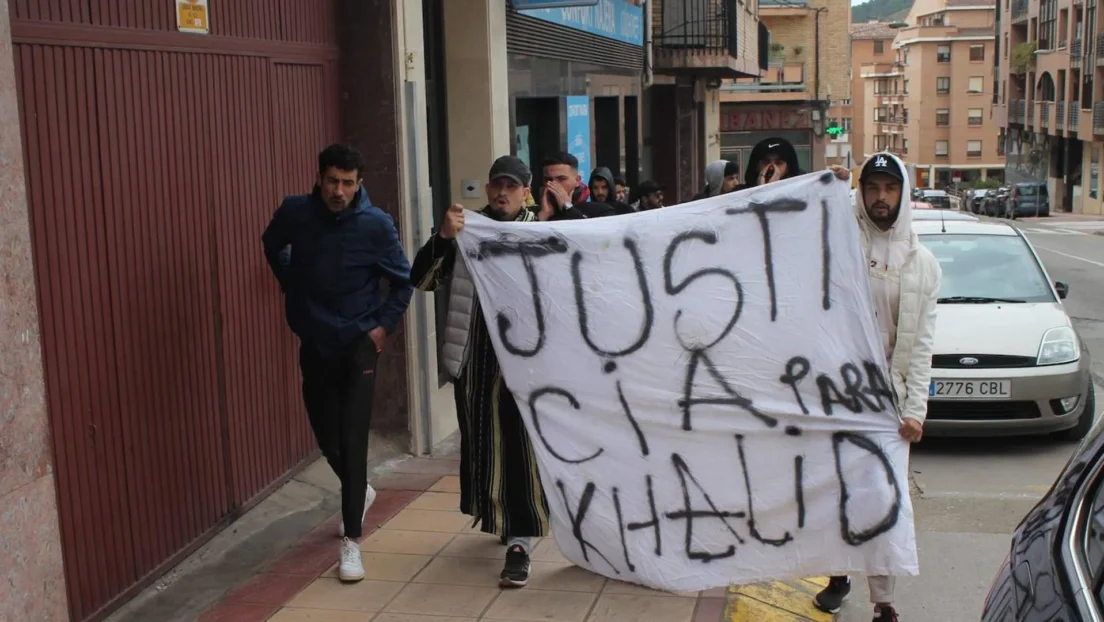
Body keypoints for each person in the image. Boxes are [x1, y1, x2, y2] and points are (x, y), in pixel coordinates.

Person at [411, 155, 583, 589]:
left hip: (525, 365)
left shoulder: (540, 230)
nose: (503, 193)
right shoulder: (468, 229)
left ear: (525, 191)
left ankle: (521, 543)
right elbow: (423, 279)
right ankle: (502, 518)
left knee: (520, 448)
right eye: (496, 185)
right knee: (484, 445)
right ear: (488, 189)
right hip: (475, 359)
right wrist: (444, 238)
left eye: (512, 186)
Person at [262, 144, 414, 582]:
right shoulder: (296, 214)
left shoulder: (376, 225)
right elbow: (272, 245)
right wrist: (290, 281)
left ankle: (351, 542)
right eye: (332, 181)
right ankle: (358, 489)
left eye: (348, 183)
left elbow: (402, 282)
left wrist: (381, 327)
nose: (339, 191)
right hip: (314, 339)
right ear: (319, 179)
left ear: (359, 184)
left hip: (359, 344)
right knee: (326, 433)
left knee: (353, 438)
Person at [812, 152, 942, 622]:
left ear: (903, 194)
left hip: (890, 403)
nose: (880, 197)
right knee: (838, 491)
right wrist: (833, 187)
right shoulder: (845, 241)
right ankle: (838, 573)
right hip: (842, 392)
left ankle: (883, 601)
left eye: (889, 188)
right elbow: (816, 223)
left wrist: (916, 409)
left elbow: (923, 343)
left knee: (884, 498)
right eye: (872, 188)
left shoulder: (923, 265)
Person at [542, 152, 617, 219]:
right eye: (548, 179)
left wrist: (568, 208)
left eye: (561, 179)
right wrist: (541, 218)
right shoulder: (539, 213)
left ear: (577, 181)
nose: (553, 184)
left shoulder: (601, 210)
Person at [737, 137, 806, 189]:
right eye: (765, 162)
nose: (771, 167)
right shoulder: (739, 193)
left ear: (787, 168)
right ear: (756, 166)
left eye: (779, 163)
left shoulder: (802, 191)